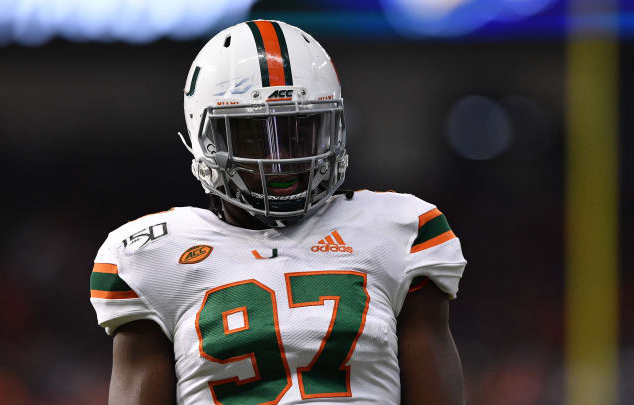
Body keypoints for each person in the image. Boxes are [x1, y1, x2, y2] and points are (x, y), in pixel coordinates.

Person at [90, 20, 466, 405]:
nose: (281, 160)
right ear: (205, 140)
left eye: (299, 133)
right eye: (254, 135)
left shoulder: (398, 231)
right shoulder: (149, 256)